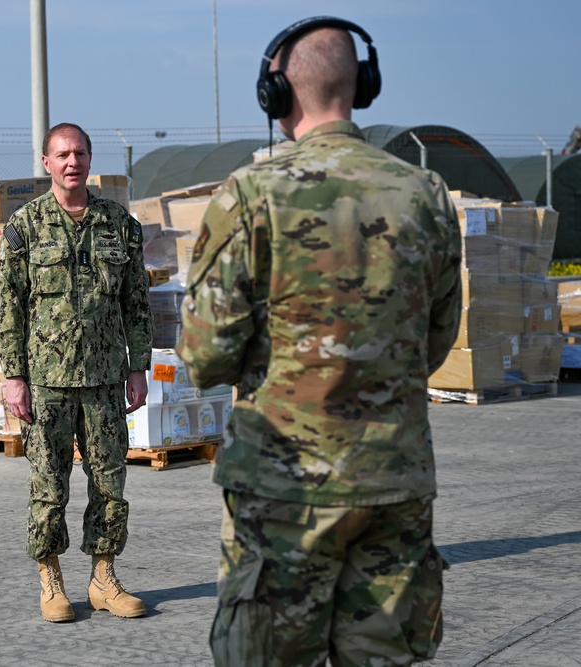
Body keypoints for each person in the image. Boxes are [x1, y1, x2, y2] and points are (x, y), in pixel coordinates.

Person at [176, 17, 463, 666]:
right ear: (363, 85)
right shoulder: (426, 194)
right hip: (394, 481)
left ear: (276, 95)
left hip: (287, 493)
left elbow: (204, 354)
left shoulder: (253, 193)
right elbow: (436, 341)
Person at [0, 122, 154, 623]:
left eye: (79, 153)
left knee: (110, 483)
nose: (71, 162)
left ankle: (104, 578)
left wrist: (138, 367)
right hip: (47, 382)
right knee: (48, 485)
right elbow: (7, 305)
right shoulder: (26, 226)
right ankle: (51, 580)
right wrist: (13, 375)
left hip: (105, 381)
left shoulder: (120, 225)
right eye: (61, 154)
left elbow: (136, 303)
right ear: (46, 163)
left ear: (89, 159)